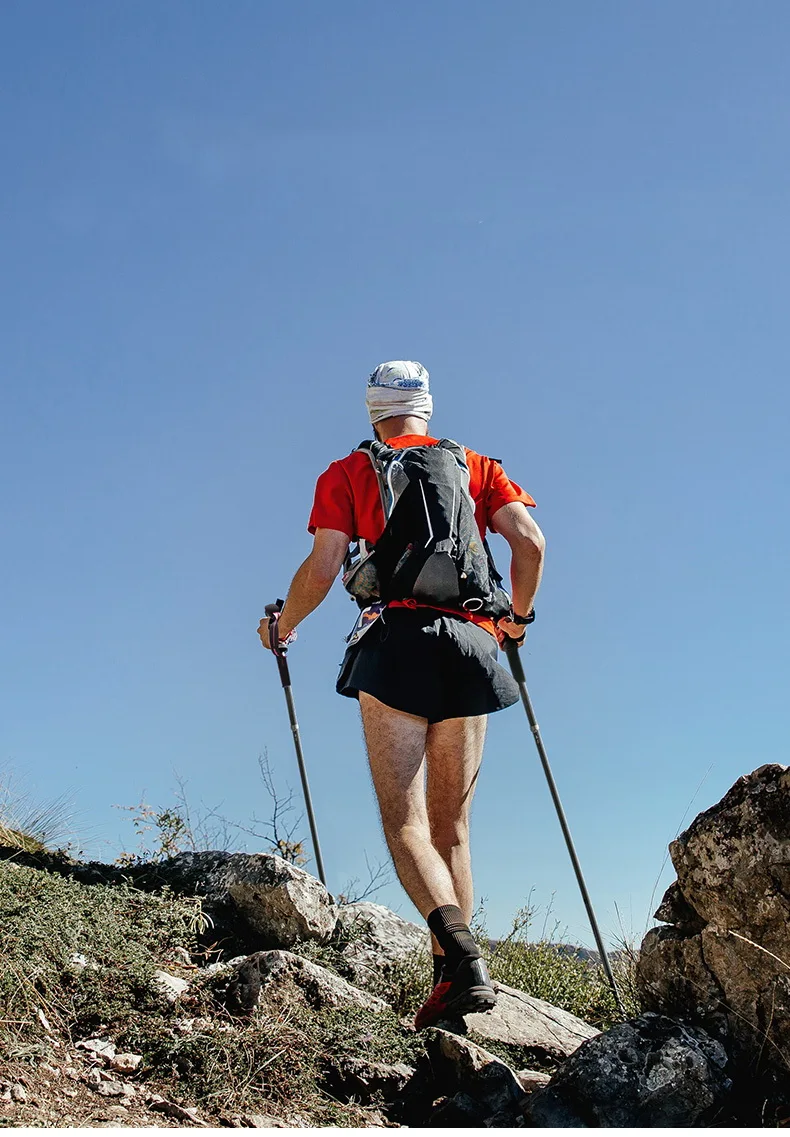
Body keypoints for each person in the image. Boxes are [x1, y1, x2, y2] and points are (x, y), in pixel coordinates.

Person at [258, 361, 545, 1029]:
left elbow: (326, 563)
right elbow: (529, 542)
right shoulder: (476, 465)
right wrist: (517, 621)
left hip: (397, 642)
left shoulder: (349, 471)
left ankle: (461, 961)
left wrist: (285, 624)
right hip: (474, 644)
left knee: (406, 821)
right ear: (427, 409)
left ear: (372, 410)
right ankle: (456, 986)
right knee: (453, 829)